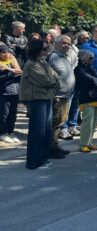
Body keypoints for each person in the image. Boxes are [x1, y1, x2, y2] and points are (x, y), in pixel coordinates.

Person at [20, 39, 59, 168]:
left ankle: (43, 158)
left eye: (47, 47)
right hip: (37, 99)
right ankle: (33, 161)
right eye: (44, 48)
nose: (47, 50)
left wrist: (52, 79)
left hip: (47, 98)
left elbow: (55, 76)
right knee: (37, 131)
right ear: (37, 50)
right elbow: (46, 81)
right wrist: (52, 79)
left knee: (46, 131)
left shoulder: (43, 63)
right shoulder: (31, 64)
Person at [48, 35, 75, 159]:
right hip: (57, 96)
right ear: (56, 43)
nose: (67, 46)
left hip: (66, 95)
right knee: (55, 123)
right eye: (64, 43)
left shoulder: (65, 57)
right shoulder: (53, 57)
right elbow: (49, 76)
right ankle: (50, 148)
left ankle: (55, 145)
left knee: (60, 122)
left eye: (69, 44)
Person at [74, 49, 97, 153]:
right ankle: (83, 144)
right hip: (86, 98)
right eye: (90, 58)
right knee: (87, 122)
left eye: (93, 58)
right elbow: (91, 80)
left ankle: (89, 142)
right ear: (83, 57)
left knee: (94, 122)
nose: (92, 60)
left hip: (96, 97)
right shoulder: (79, 69)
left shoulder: (90, 67)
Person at [0, 44, 22, 144]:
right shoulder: (1, 65)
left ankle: (11, 131)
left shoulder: (12, 63)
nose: (6, 54)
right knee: (4, 114)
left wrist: (18, 74)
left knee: (13, 114)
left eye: (8, 52)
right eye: (3, 52)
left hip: (15, 91)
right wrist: (11, 73)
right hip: (4, 93)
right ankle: (3, 133)